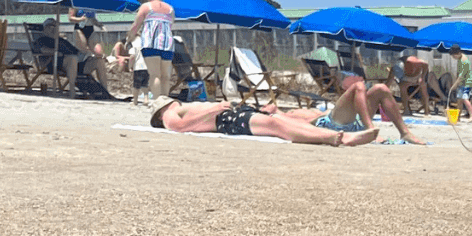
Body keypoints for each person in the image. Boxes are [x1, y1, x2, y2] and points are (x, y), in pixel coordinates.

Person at [149, 95, 380, 145]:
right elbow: (179, 127)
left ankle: (342, 134)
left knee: (285, 119)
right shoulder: (169, 112)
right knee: (277, 125)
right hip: (226, 119)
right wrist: (213, 110)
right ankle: (335, 138)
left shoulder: (181, 106)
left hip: (232, 113)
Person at [122, 0, 177, 102]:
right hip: (167, 44)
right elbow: (171, 25)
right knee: (165, 76)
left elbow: (135, 26)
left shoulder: (146, 7)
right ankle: (165, 102)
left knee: (155, 75)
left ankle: (157, 102)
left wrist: (129, 38)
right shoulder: (170, 9)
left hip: (150, 43)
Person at [448, 46, 472, 120]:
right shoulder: (459, 59)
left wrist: (454, 85)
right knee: (459, 100)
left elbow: (462, 76)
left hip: (467, 82)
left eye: (453, 55)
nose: (453, 57)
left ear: (458, 53)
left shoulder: (465, 61)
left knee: (465, 98)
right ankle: (457, 117)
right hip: (462, 83)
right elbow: (458, 73)